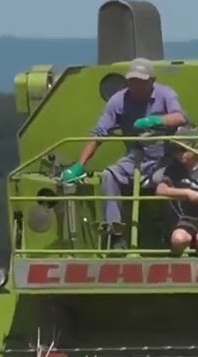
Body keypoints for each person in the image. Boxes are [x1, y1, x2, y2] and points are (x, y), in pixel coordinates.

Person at [59, 58, 189, 249]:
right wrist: (80, 165)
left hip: (165, 156)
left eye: (141, 81)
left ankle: (175, 233)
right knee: (109, 176)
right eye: (132, 81)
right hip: (136, 157)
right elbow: (99, 133)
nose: (136, 85)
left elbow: (180, 117)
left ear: (152, 81)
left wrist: (155, 121)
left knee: (167, 180)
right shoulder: (118, 100)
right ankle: (116, 234)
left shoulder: (166, 94)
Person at [152, 126, 198, 255]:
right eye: (176, 150)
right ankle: (176, 264)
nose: (179, 154)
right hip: (186, 217)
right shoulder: (175, 167)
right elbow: (161, 189)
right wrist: (187, 193)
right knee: (178, 239)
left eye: (183, 149)